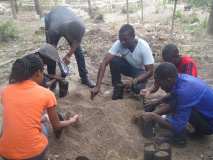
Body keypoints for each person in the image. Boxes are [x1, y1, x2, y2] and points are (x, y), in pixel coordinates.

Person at [0, 54, 79, 160]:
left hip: (5, 153)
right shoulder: (46, 94)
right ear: (38, 73)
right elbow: (57, 126)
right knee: (45, 124)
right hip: (33, 154)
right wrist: (72, 120)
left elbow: (20, 111)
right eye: (43, 72)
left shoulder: (5, 91)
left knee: (7, 125)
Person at [140, 62, 213, 145]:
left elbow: (177, 126)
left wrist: (154, 116)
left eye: (160, 83)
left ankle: (180, 139)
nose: (161, 87)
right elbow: (173, 95)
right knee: (176, 101)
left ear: (169, 80)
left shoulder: (185, 91)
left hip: (209, 125)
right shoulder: (180, 78)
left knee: (177, 113)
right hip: (206, 114)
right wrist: (156, 103)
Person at [91, 24, 154, 100]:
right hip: (128, 67)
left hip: (140, 72)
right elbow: (104, 62)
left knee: (137, 88)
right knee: (114, 60)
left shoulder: (143, 47)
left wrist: (134, 81)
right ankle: (117, 88)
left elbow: (150, 71)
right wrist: (97, 86)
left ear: (133, 36)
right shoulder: (119, 44)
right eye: (121, 40)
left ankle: (131, 87)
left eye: (125, 40)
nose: (122, 42)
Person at [44, 5, 95, 88]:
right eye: (72, 40)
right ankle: (52, 79)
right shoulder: (53, 29)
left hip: (65, 17)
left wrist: (68, 55)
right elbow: (51, 49)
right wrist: (60, 62)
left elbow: (77, 41)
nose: (73, 42)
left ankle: (84, 78)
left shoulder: (80, 27)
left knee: (79, 52)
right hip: (51, 18)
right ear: (67, 34)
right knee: (50, 54)